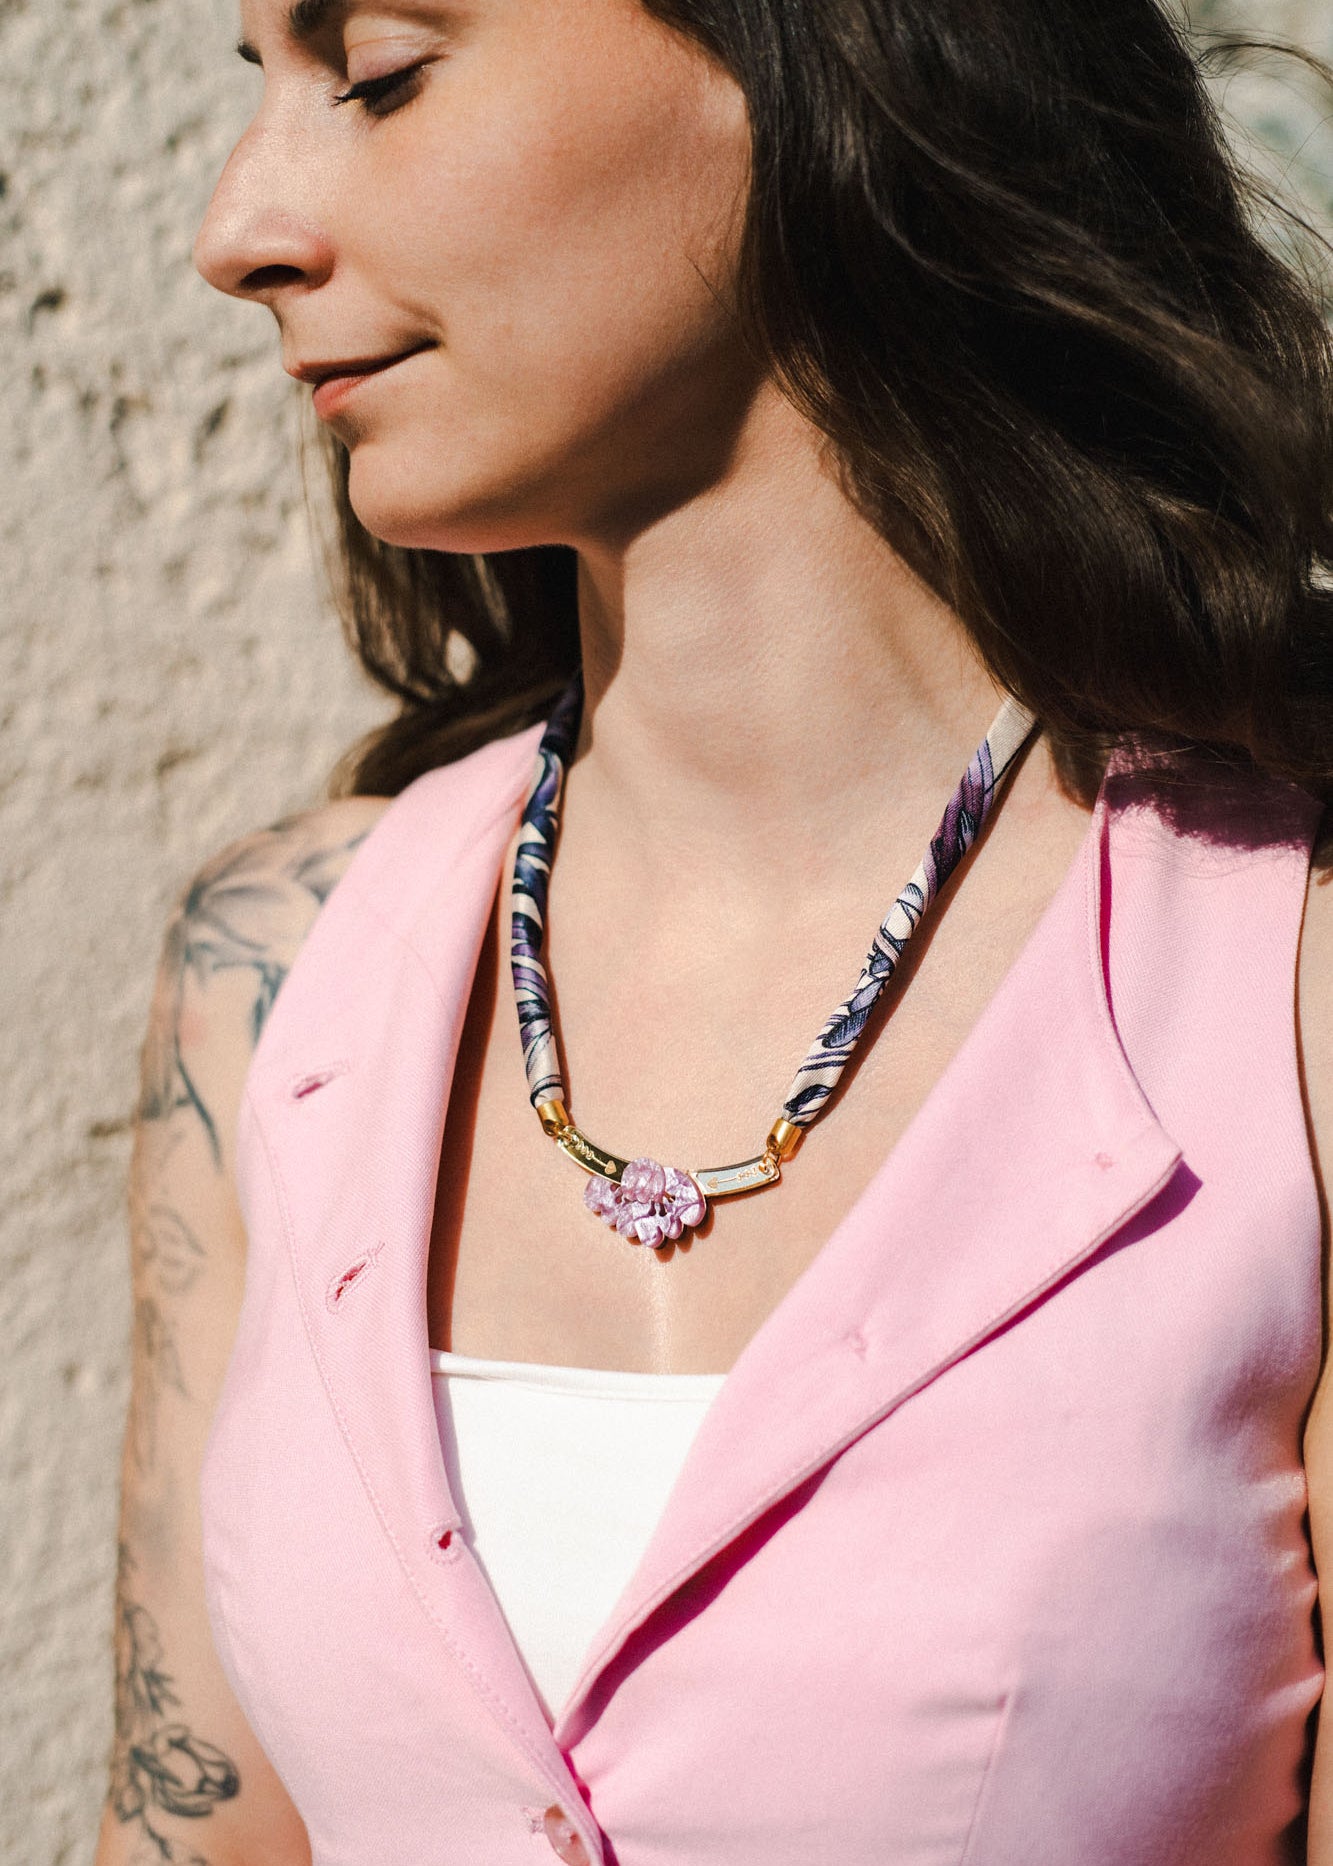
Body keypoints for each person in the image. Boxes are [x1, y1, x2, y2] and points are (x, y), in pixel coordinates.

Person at [94, 0, 1333, 1860]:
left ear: (814, 55)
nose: (237, 228)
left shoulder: (1286, 985)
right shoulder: (276, 972)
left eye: (379, 76)